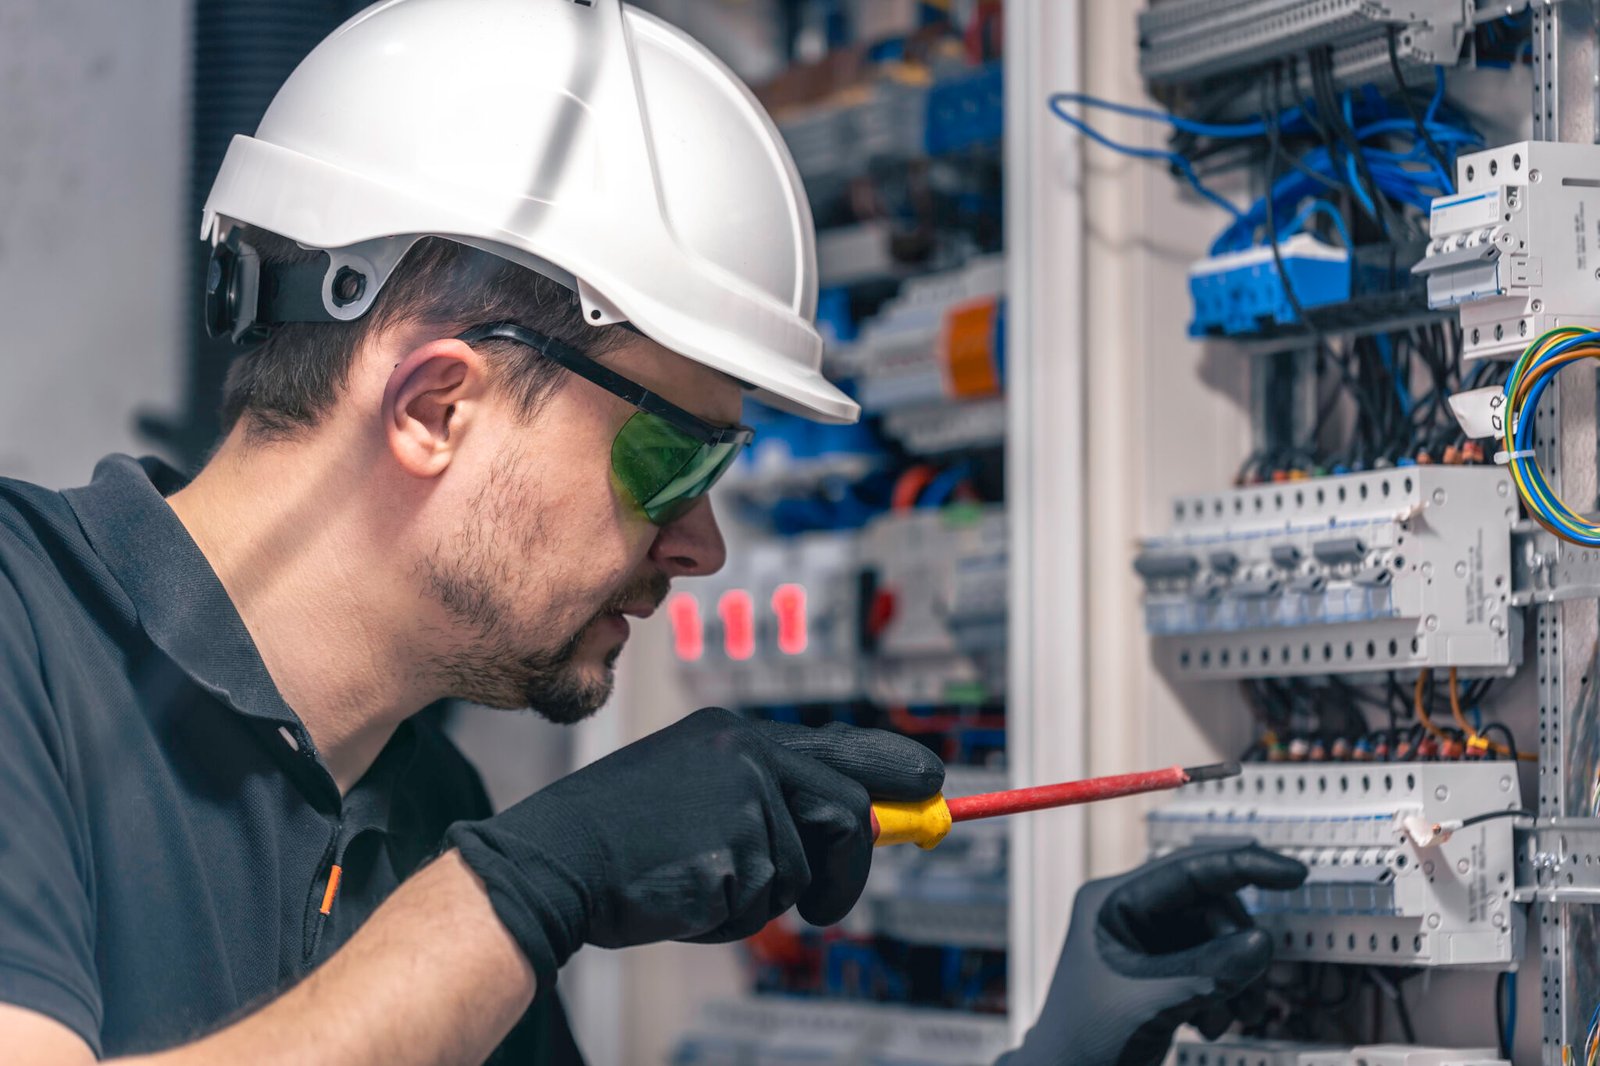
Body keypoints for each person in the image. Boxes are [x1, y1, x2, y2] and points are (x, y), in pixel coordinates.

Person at [0, 2, 1306, 1064]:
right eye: (672, 453)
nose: (701, 546)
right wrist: (528, 882)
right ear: (434, 403)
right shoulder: (22, 638)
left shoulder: (417, 807)